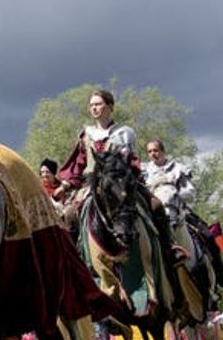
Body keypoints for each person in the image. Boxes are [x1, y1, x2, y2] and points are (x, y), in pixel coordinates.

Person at [55, 90, 182, 277]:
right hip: (91, 185)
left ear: (110, 107)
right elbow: (79, 165)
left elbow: (131, 161)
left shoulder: (124, 133)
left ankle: (169, 250)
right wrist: (65, 186)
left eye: (98, 104)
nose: (94, 108)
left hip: (122, 182)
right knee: (69, 215)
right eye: (92, 105)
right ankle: (71, 261)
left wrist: (126, 178)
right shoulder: (86, 135)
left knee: (156, 205)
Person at [145, 139, 223, 279]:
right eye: (149, 151)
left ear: (163, 151)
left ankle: (219, 273)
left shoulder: (177, 168)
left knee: (207, 234)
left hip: (180, 210)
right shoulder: (144, 172)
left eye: (155, 150)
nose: (153, 154)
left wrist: (173, 193)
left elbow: (191, 193)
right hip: (155, 215)